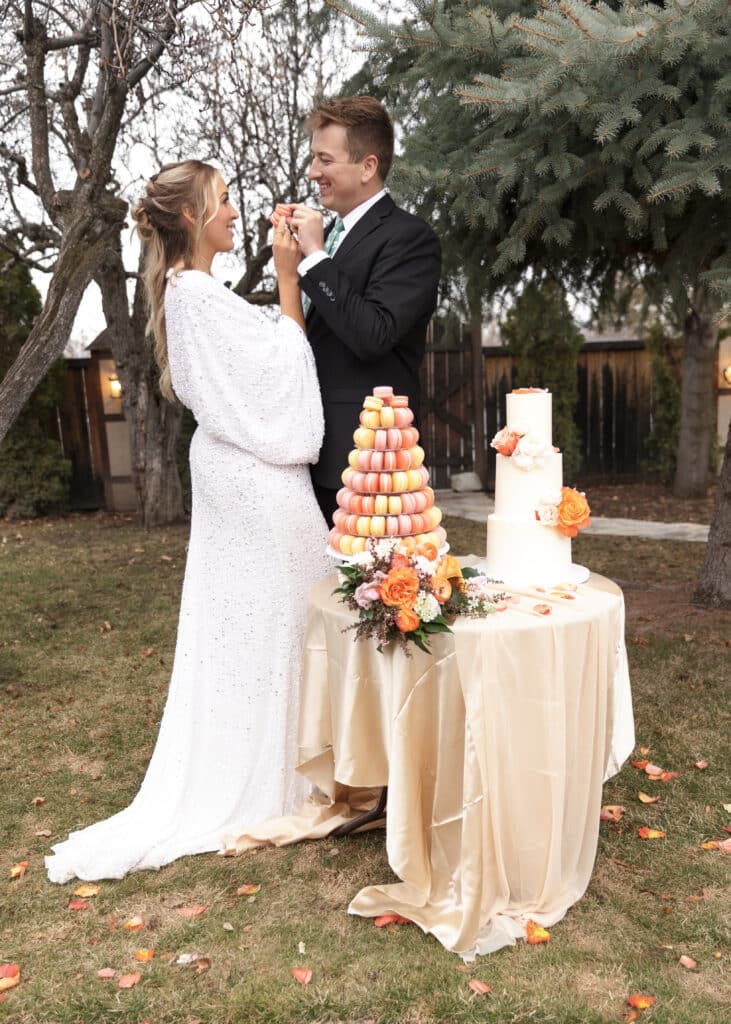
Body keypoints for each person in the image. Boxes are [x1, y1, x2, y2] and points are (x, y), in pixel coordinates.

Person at [46, 160, 330, 883]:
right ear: (193, 217)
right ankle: (280, 769)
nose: (234, 212)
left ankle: (299, 756)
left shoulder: (196, 292)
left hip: (239, 473)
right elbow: (283, 363)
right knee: (282, 614)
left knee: (272, 614)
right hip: (252, 476)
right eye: (224, 201)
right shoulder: (197, 294)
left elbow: (266, 360)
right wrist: (291, 279)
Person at [288, 96, 442, 526]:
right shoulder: (331, 236)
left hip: (371, 461)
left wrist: (316, 258)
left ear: (367, 167)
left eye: (324, 159)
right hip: (313, 450)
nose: (313, 172)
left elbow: (373, 333)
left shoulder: (410, 238)